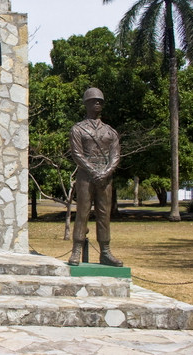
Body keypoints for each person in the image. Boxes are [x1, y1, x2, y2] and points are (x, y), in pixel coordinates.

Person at [68, 87, 122, 267]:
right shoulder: (78, 129)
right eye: (94, 100)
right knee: (82, 213)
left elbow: (115, 155)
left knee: (104, 215)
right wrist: (93, 171)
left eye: (100, 101)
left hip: (105, 178)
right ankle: (76, 249)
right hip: (86, 176)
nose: (97, 103)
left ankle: (105, 252)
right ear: (86, 103)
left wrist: (105, 172)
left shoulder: (110, 131)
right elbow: (77, 154)